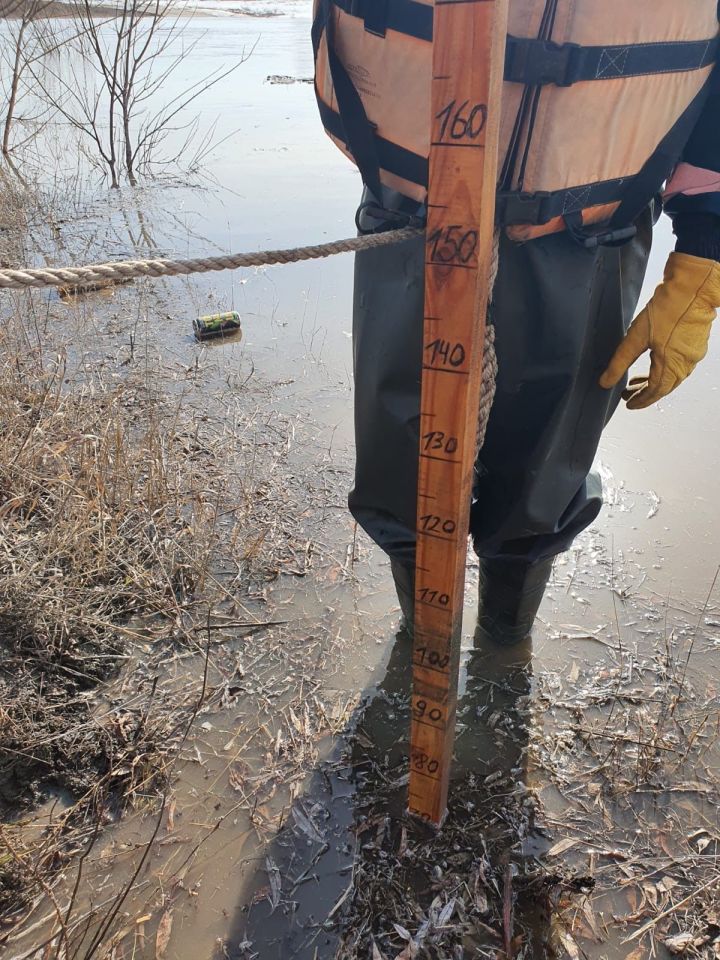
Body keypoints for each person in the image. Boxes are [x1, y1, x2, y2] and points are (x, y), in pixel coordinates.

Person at [314, 3, 720, 646]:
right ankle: (423, 637)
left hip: (593, 233)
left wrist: (706, 251)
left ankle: (506, 649)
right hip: (413, 215)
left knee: (543, 478)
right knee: (404, 463)